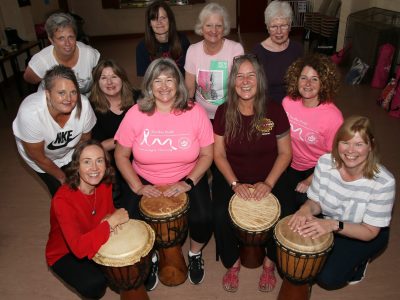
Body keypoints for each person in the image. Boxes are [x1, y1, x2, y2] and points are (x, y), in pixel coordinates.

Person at [114, 58, 214, 290]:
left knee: (203, 218)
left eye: (170, 79)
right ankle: (152, 257)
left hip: (187, 175)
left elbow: (207, 155)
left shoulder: (194, 112)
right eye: (157, 80)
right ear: (149, 85)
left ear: (178, 83)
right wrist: (138, 187)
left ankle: (195, 253)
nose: (164, 86)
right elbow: (120, 156)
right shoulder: (136, 113)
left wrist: (188, 182)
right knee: (132, 220)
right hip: (145, 177)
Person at [213, 54, 292, 292]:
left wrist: (268, 183)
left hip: (270, 175)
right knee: (218, 214)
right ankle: (232, 262)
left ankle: (270, 262)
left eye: (251, 75)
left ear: (259, 79)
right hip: (233, 175)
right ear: (232, 82)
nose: (245, 81)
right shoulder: (223, 112)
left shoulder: (274, 110)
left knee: (286, 211)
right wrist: (235, 184)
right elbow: (218, 155)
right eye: (239, 76)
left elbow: (285, 153)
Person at [288, 115, 395, 289]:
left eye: (359, 144)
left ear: (371, 146)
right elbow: (316, 201)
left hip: (363, 231)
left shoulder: (383, 182)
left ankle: (360, 262)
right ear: (337, 143)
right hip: (332, 219)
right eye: (345, 142)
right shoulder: (324, 162)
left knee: (327, 278)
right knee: (299, 203)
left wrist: (332, 225)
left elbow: (369, 232)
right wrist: (306, 209)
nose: (350, 150)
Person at [46, 139, 129, 299]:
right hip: (65, 252)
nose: (94, 168)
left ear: (106, 165)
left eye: (99, 161)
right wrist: (111, 222)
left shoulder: (105, 183)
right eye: (87, 162)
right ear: (76, 167)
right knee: (94, 284)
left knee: (125, 262)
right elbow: (78, 248)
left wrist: (111, 215)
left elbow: (109, 211)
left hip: (94, 234)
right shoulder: (62, 200)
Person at [13, 65, 96, 197]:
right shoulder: (30, 114)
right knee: (61, 193)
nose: (69, 99)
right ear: (47, 93)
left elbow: (85, 140)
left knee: (83, 186)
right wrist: (62, 177)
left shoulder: (84, 105)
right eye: (61, 93)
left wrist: (79, 167)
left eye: (73, 92)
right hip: (42, 159)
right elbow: (39, 157)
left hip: (70, 151)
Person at [282, 53, 343, 215]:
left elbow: (336, 156)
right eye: (303, 78)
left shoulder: (333, 116)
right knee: (281, 204)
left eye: (315, 79)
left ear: (324, 83)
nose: (308, 83)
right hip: (289, 163)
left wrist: (310, 180)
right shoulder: (288, 102)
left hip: (317, 168)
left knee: (304, 206)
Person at [90, 59, 139, 208]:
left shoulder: (138, 98)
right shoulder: (92, 107)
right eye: (103, 78)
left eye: (114, 77)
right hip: (110, 164)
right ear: (97, 83)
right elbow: (99, 147)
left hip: (140, 158)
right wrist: (128, 137)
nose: (109, 82)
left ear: (122, 79)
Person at [185, 2, 244, 120]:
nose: (214, 30)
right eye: (209, 25)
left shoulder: (235, 49)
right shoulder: (192, 50)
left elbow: (241, 85)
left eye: (218, 25)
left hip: (229, 112)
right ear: (201, 28)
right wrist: (188, 114)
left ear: (224, 28)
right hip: (201, 113)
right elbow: (189, 88)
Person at [24, 12, 100, 95]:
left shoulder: (89, 54)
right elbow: (28, 78)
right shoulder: (42, 61)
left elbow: (99, 77)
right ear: (51, 40)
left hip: (84, 101)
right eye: (61, 38)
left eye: (71, 37)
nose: (67, 43)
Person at [252, 1, 303, 103]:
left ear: (290, 26)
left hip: (294, 104)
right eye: (274, 26)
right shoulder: (258, 52)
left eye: (283, 26)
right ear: (267, 27)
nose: (279, 31)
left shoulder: (297, 49)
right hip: (267, 106)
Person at [136, 0, 190, 78]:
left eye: (163, 18)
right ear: (149, 24)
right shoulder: (142, 47)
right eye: (154, 19)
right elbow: (144, 80)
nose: (159, 22)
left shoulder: (183, 41)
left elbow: (188, 74)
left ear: (170, 20)